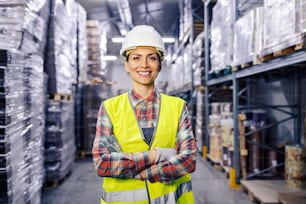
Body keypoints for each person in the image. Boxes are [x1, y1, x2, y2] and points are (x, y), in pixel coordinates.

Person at [92, 25, 197, 204]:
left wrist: (143, 172)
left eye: (152, 58)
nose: (144, 65)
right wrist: (155, 155)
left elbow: (188, 160)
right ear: (127, 64)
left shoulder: (178, 107)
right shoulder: (110, 108)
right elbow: (102, 163)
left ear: (159, 65)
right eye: (136, 58)